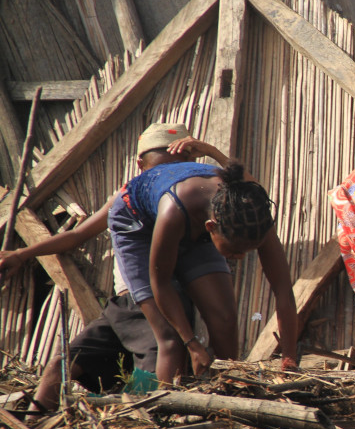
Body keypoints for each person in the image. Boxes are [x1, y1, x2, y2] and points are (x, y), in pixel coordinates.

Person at [0, 123, 228, 413]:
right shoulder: (128, 197)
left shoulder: (193, 206)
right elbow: (76, 236)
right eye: (157, 169)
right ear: (139, 166)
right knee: (61, 364)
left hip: (158, 308)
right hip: (122, 306)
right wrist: (22, 253)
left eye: (175, 169)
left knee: (154, 370)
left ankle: (146, 428)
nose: (164, 177)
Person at [108, 153, 298, 383]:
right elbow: (161, 282)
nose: (239, 257)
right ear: (211, 228)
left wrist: (289, 356)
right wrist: (193, 344)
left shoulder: (254, 219)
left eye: (248, 251)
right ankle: (169, 409)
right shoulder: (173, 211)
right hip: (138, 224)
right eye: (234, 251)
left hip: (193, 216)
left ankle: (226, 396)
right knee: (169, 338)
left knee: (225, 321)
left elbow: (284, 291)